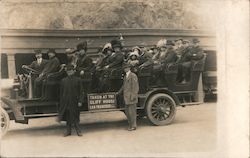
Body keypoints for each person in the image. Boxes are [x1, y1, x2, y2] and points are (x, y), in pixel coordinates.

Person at [58, 64, 83, 137]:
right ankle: (68, 131)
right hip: (66, 102)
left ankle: (78, 131)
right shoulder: (63, 81)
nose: (69, 72)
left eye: (70, 71)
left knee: (76, 117)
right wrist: (62, 102)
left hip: (75, 101)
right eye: (68, 71)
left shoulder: (78, 80)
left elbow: (81, 92)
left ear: (73, 71)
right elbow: (61, 93)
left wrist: (80, 101)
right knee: (68, 117)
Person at [118, 64, 139, 131]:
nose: (125, 69)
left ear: (129, 68)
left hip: (131, 97)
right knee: (127, 112)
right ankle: (130, 125)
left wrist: (133, 96)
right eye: (124, 68)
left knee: (132, 112)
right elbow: (124, 86)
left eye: (126, 68)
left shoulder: (133, 75)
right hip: (126, 97)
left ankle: (133, 126)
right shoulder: (125, 76)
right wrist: (119, 92)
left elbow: (135, 87)